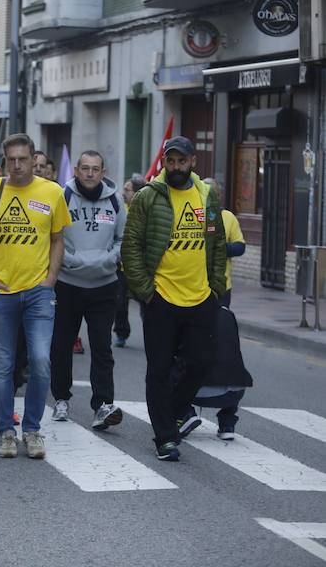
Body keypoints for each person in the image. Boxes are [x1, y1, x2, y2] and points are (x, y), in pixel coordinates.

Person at [0, 133, 71, 460]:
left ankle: (32, 429)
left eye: (22, 159)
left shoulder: (52, 192)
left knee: (40, 361)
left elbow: (57, 239)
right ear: (4, 160)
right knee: (4, 364)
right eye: (11, 160)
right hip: (1, 291)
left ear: (33, 158)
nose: (17, 165)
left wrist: (51, 278)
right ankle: (7, 432)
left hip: (38, 292)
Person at [121, 136, 226, 461]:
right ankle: (165, 437)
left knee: (202, 362)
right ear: (164, 162)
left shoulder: (207, 196)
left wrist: (216, 289)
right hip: (161, 300)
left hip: (200, 298)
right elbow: (131, 246)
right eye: (171, 161)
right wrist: (145, 293)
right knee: (159, 369)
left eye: (182, 161)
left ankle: (176, 408)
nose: (176, 167)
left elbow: (217, 243)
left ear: (193, 161)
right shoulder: (148, 198)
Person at [49, 151, 126, 429]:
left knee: (102, 347)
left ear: (103, 171)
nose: (90, 173)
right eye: (85, 168)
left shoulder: (115, 201)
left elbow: (122, 238)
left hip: (104, 285)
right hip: (68, 284)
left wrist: (110, 258)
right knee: (61, 345)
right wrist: (68, 261)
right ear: (77, 171)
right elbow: (52, 236)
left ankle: (103, 405)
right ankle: (61, 399)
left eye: (95, 168)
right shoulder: (63, 196)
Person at [114, 174, 146, 347]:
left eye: (127, 190)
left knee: (146, 305)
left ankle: (151, 333)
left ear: (137, 193)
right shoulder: (120, 210)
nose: (123, 193)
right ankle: (121, 333)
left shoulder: (145, 212)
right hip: (121, 267)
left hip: (140, 269)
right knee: (119, 304)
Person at [202, 178, 244, 308]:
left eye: (212, 194)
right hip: (195, 284)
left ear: (219, 196)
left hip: (222, 284)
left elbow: (240, 247)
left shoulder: (228, 217)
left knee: (220, 324)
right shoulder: (192, 216)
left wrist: (219, 248)